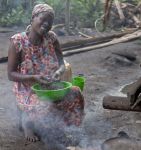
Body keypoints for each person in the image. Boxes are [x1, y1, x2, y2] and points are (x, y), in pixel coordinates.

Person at [8, 3, 84, 143]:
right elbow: (11, 74)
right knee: (45, 105)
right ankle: (27, 124)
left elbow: (62, 64)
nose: (46, 24)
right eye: (43, 19)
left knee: (75, 92)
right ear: (33, 18)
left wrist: (59, 73)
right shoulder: (18, 41)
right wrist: (33, 77)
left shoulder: (52, 38)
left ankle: (71, 127)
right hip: (28, 89)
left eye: (50, 22)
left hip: (50, 86)